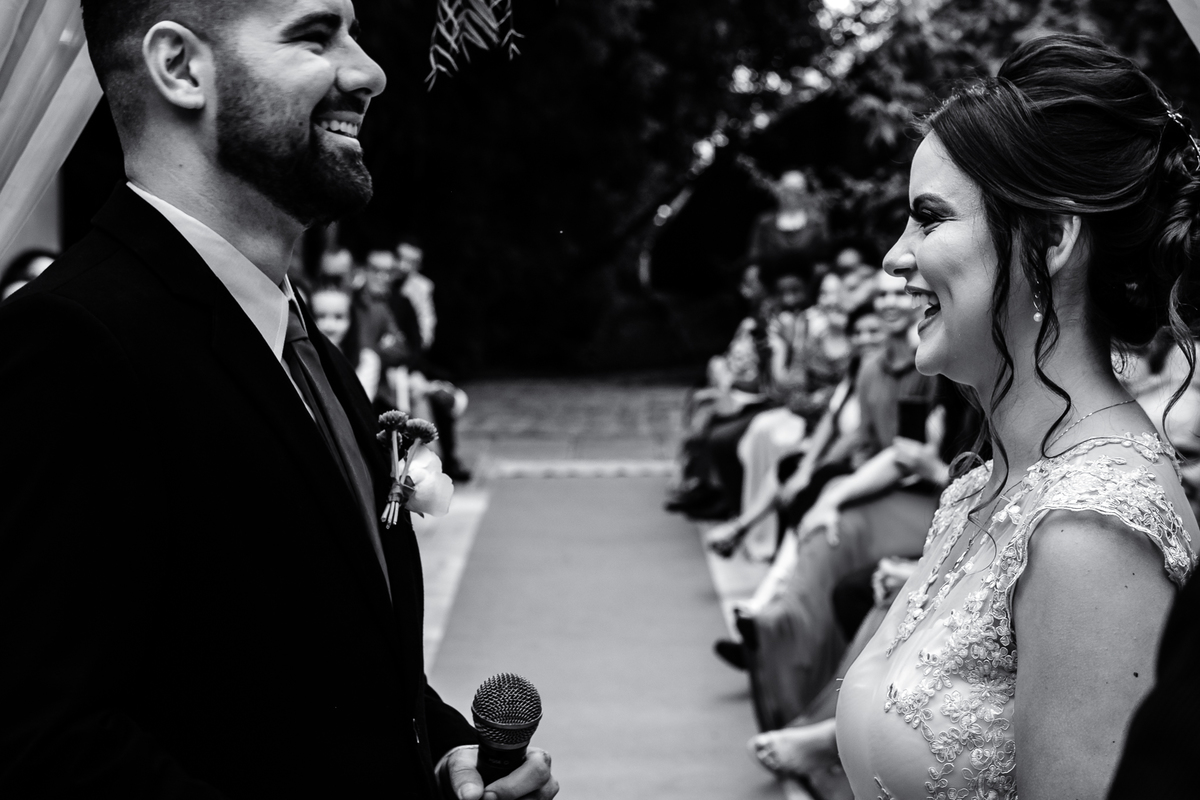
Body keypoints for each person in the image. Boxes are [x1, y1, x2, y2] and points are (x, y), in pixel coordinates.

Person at [0, 2, 557, 798]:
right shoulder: (71, 344)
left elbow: (317, 666)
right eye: (313, 36)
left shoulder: (298, 341)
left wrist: (443, 753)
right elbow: (42, 745)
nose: (369, 72)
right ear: (181, 68)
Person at [835, 34, 1198, 800]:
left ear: (1052, 238)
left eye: (928, 221)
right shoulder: (988, 483)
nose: (894, 260)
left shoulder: (1091, 530)